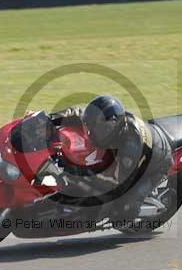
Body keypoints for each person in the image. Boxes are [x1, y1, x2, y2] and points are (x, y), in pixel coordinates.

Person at [48, 95, 173, 224]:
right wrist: (49, 119)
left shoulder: (130, 148)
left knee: (123, 210)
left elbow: (114, 183)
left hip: (157, 164)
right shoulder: (112, 122)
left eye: (98, 130)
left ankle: (132, 213)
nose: (91, 134)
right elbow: (78, 112)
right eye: (91, 128)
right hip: (144, 144)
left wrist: (77, 171)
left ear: (112, 126)